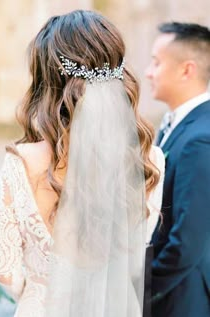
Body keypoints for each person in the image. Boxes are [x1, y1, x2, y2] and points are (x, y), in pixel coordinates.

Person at [0, 10, 164, 317]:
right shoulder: (150, 159)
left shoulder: (22, 162)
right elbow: (140, 245)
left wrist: (39, 289)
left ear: (46, 78)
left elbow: (4, 269)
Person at [146, 22, 210, 317]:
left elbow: (188, 239)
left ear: (187, 70)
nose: (149, 72)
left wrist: (144, 286)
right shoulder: (176, 122)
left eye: (156, 63)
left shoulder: (201, 137)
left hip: (181, 298)